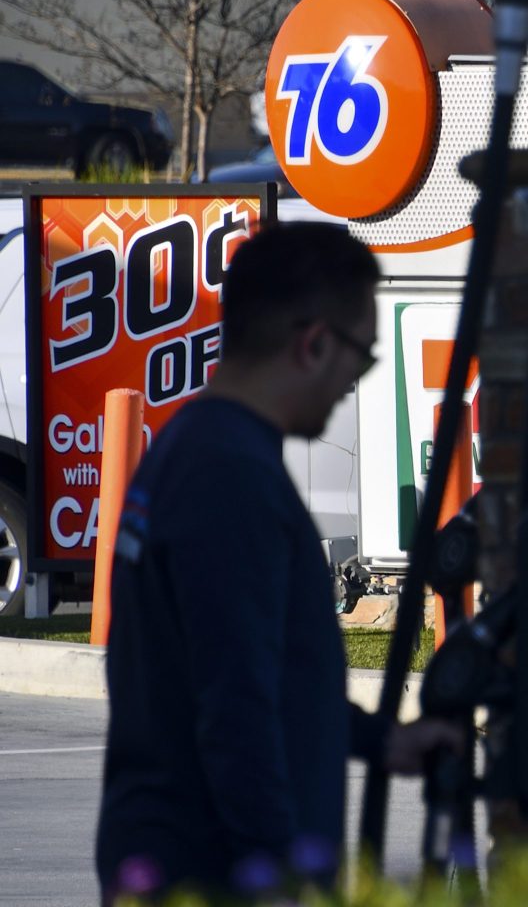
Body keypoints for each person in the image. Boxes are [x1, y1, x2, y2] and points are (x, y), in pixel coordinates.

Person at [95, 221, 458, 902]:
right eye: (363, 356)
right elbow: (235, 711)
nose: (354, 381)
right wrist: (281, 881)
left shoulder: (196, 447)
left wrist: (382, 743)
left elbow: (255, 671)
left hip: (171, 852)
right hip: (215, 873)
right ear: (315, 343)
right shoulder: (232, 478)